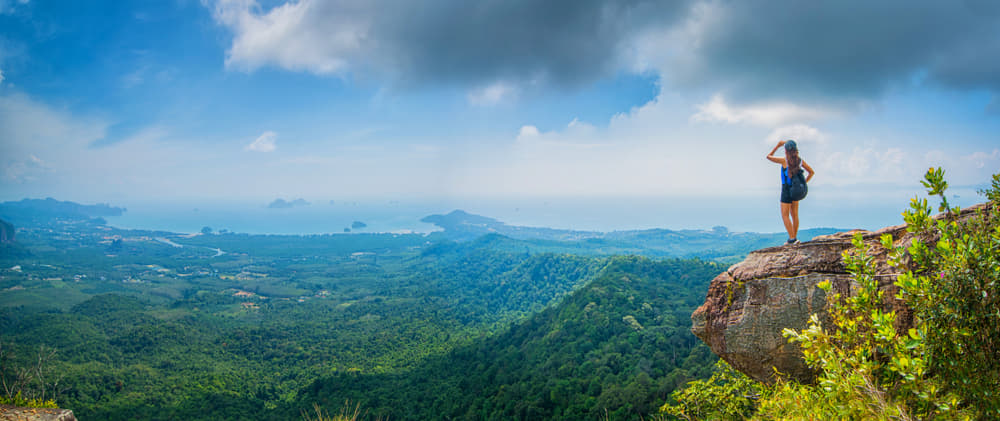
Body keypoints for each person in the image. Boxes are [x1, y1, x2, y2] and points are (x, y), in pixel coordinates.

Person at [767, 140, 814, 244]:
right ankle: (794, 237)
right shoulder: (800, 161)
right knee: (795, 215)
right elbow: (811, 172)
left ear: (786, 150)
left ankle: (792, 239)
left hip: (786, 190)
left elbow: (768, 156)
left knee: (785, 215)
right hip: (796, 189)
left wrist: (777, 145)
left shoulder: (784, 161)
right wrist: (803, 183)